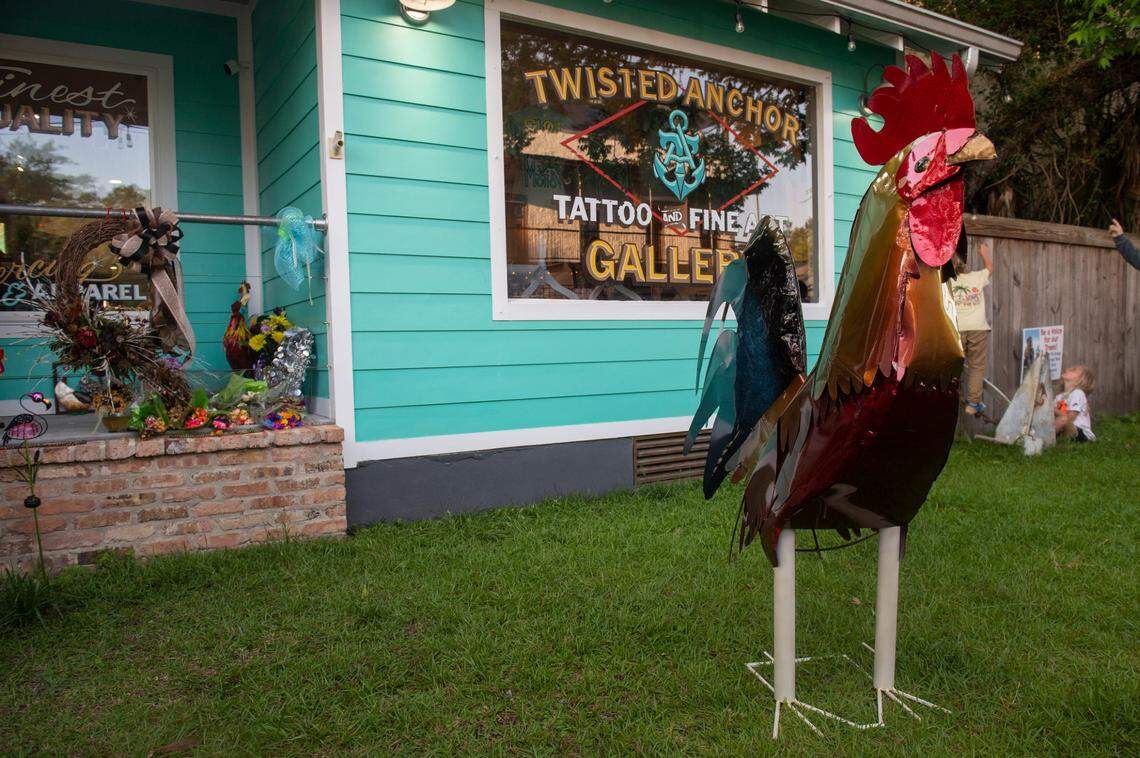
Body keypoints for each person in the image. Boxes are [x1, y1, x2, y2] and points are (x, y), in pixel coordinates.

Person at [952, 242, 993, 415]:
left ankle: (949, 394)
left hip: (957, 329)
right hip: (978, 328)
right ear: (965, 264)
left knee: (954, 365)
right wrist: (984, 253)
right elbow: (990, 268)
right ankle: (973, 403)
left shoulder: (947, 281)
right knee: (976, 366)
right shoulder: (977, 277)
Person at [1054, 365, 1096, 442]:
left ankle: (1045, 441)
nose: (1067, 369)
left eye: (1073, 370)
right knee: (1060, 419)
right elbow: (1060, 414)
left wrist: (1052, 409)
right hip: (1066, 430)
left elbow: (1070, 417)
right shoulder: (1059, 397)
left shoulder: (1078, 393)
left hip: (1082, 434)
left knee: (1063, 419)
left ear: (1080, 380)